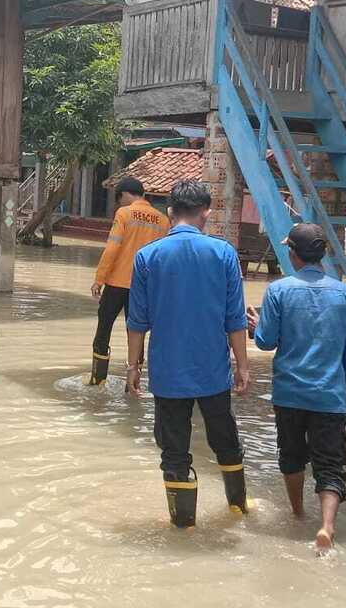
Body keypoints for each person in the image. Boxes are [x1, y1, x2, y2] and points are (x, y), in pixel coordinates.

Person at [125, 180, 250, 528]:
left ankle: (184, 526)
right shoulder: (224, 253)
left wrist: (132, 366)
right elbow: (235, 319)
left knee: (174, 451)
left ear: (169, 212)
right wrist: (242, 365)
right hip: (213, 372)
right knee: (226, 440)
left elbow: (138, 322)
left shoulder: (147, 256)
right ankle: (239, 508)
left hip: (167, 374)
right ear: (205, 213)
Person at [245, 223, 346, 554]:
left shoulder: (279, 291)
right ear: (322, 255)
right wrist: (344, 391)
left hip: (290, 393)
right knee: (330, 464)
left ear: (294, 254)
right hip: (329, 395)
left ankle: (297, 513)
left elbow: (266, 342)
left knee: (291, 455)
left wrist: (256, 326)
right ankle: (326, 526)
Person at [89, 177, 169, 385]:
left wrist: (99, 279)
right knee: (137, 331)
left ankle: (98, 379)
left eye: (119, 199)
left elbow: (112, 248)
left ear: (124, 194)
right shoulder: (162, 220)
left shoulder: (124, 213)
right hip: (144, 287)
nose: (119, 204)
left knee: (104, 327)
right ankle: (133, 384)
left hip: (117, 283)